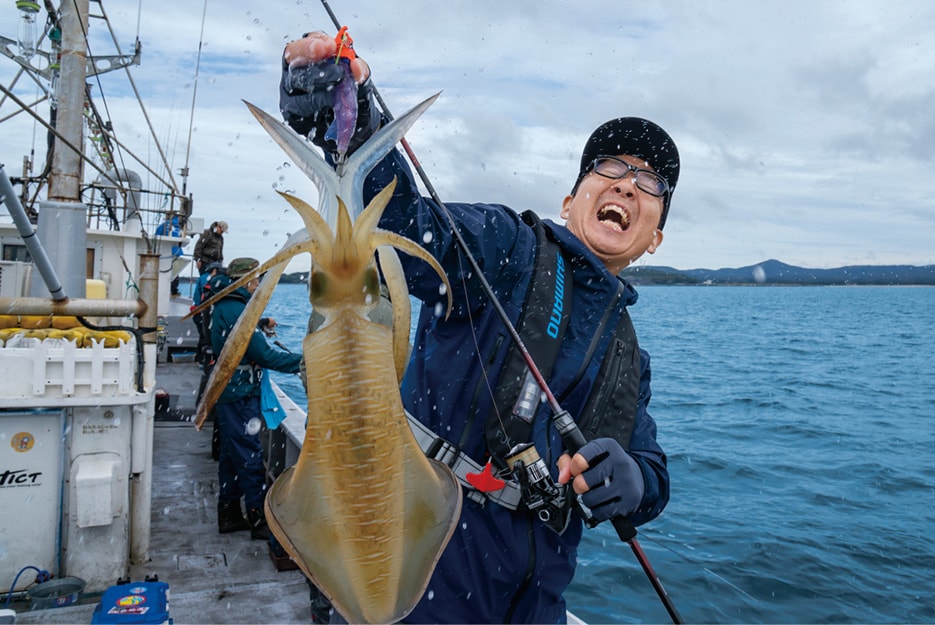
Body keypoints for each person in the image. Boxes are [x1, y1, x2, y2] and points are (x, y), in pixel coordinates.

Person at [281, 33, 675, 624]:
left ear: (655, 238)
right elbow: (409, 228)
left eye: (650, 184)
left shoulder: (628, 354)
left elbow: (647, 463)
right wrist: (350, 115)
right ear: (570, 200)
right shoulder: (507, 246)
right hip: (420, 570)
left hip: (536, 602)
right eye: (610, 168)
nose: (626, 184)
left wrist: (637, 482)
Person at [209, 256, 303, 539]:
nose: (259, 284)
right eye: (256, 279)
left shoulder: (225, 305)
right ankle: (259, 519)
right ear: (247, 281)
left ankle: (229, 514)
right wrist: (306, 359)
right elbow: (264, 355)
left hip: (227, 392)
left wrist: (259, 325)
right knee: (250, 456)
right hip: (239, 395)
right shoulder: (241, 311)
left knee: (230, 456)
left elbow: (239, 340)